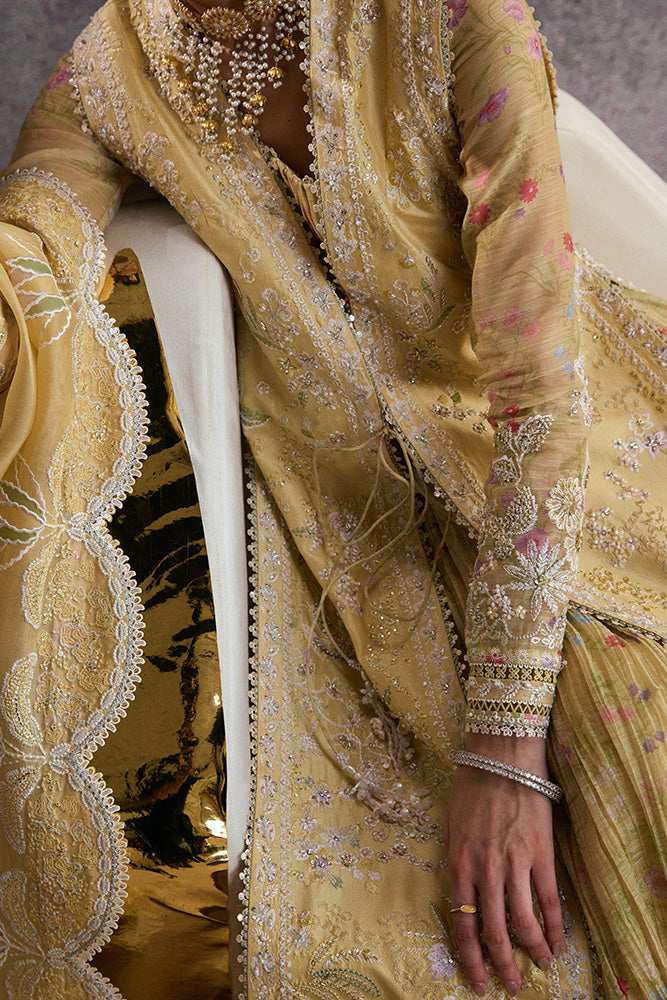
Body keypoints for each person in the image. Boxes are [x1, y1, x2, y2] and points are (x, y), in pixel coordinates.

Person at [0, 0, 665, 998]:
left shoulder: (458, 16)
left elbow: (541, 392)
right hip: (346, 554)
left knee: (626, 775)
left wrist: (505, 743)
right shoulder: (117, 64)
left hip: (568, 488)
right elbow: (33, 239)